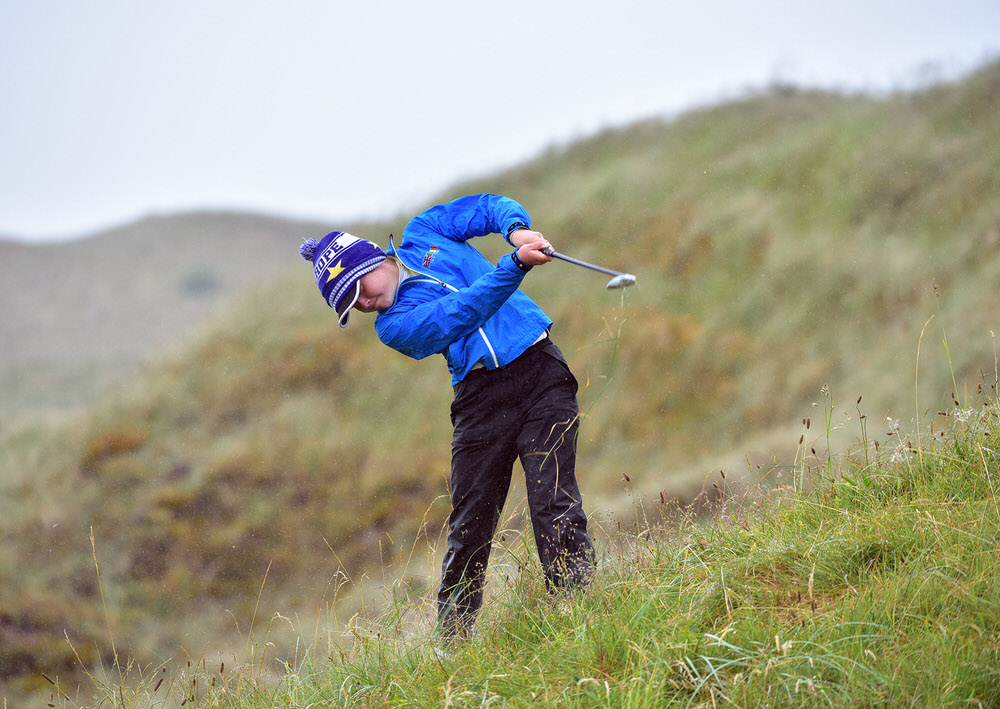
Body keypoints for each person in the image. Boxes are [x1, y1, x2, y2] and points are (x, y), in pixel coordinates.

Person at [299, 193, 595, 641]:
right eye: (350, 306)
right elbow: (461, 313)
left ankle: (581, 611)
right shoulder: (393, 327)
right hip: (479, 402)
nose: (362, 304)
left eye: (358, 289)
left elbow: (490, 206)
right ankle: (452, 645)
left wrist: (516, 229)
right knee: (470, 526)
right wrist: (514, 264)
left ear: (373, 261)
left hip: (541, 374)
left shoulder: (425, 232)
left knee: (552, 498)